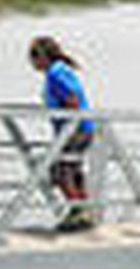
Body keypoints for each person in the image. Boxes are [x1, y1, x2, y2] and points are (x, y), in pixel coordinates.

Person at [29, 36, 96, 232]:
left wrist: (68, 126)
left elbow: (72, 99)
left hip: (75, 129)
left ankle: (78, 211)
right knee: (72, 169)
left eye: (33, 58)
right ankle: (83, 210)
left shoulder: (56, 73)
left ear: (43, 57)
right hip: (82, 128)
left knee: (60, 169)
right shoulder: (59, 71)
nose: (32, 63)